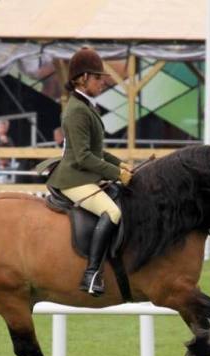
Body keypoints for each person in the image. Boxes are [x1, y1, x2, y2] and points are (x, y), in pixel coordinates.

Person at [47, 47, 133, 296]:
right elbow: (84, 157)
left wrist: (120, 165)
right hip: (74, 177)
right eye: (98, 78)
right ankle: (92, 273)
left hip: (83, 172)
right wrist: (117, 174)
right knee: (112, 211)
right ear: (82, 78)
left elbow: (98, 151)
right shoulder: (76, 111)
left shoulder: (85, 106)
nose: (103, 82)